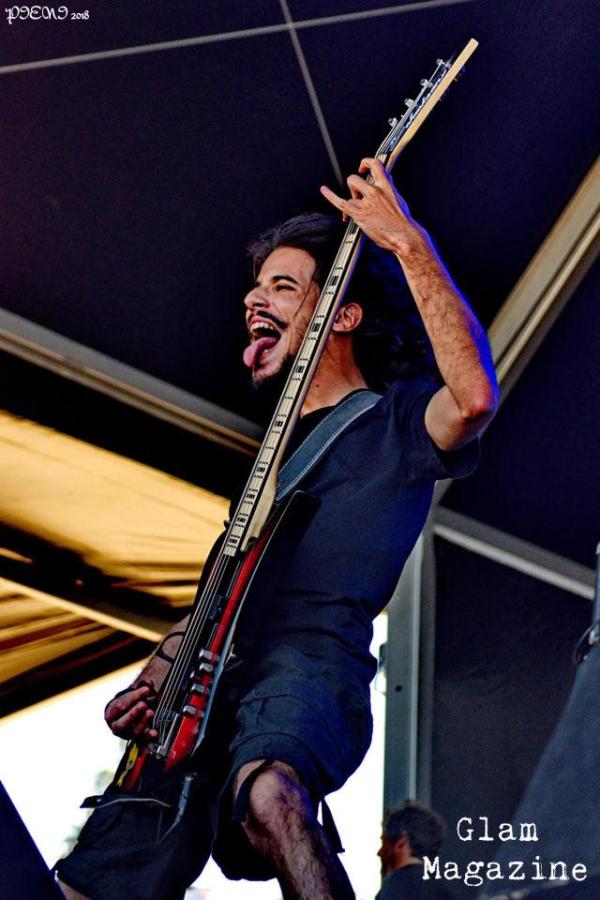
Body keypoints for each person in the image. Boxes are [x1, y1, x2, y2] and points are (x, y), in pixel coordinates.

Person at [55, 158, 498, 900]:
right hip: (207, 684)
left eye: (283, 286)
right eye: (257, 287)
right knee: (94, 875)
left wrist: (406, 244)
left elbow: (474, 397)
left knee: (271, 797)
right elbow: (220, 600)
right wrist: (156, 674)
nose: (254, 298)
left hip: (310, 664)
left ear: (342, 316)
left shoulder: (391, 423)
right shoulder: (268, 468)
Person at [376, 802, 456, 899]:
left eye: (384, 843)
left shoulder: (391, 889)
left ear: (401, 843)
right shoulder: (445, 892)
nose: (379, 853)